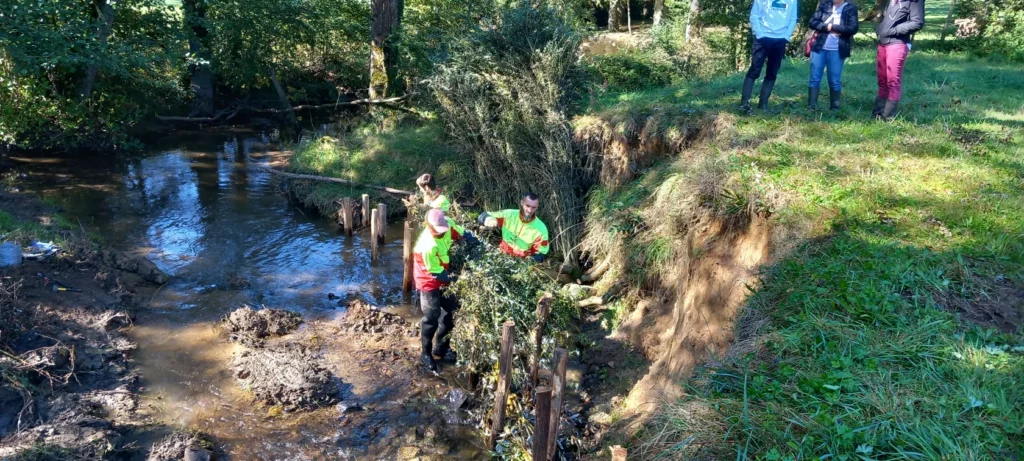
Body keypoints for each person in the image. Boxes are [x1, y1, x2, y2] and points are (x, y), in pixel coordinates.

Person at [414, 208, 476, 371]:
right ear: (429, 226)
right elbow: (437, 274)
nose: (442, 232)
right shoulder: (427, 246)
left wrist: (474, 242)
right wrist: (458, 278)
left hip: (444, 271)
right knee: (432, 315)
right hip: (428, 278)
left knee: (453, 310)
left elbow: (462, 233)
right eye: (438, 230)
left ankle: (441, 347)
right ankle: (425, 353)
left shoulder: (448, 225)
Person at [740, 0, 799, 113]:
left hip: (780, 40)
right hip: (762, 38)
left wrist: (786, 36)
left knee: (772, 72)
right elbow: (754, 15)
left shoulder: (792, 1)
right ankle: (745, 103)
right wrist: (760, 35)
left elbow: (793, 19)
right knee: (754, 70)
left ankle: (763, 104)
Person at [874, 0, 925, 120]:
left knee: (893, 81)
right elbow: (890, 20)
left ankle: (888, 117)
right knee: (882, 81)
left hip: (898, 44)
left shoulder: (914, 1)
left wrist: (893, 30)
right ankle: (877, 114)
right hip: (883, 43)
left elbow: (917, 22)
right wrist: (881, 28)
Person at [807, 0, 859, 110]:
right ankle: (811, 107)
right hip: (819, 47)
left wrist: (834, 27)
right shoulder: (825, 5)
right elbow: (812, 22)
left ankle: (835, 108)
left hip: (837, 50)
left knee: (834, 80)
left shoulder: (850, 8)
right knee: (814, 77)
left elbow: (853, 28)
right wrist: (827, 27)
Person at [477, 192, 549, 263]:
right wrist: (489, 219)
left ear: (537, 207)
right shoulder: (509, 214)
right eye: (527, 206)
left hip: (522, 262)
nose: (530, 210)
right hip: (502, 255)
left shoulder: (541, 229)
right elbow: (483, 215)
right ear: (522, 203)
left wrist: (531, 260)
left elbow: (542, 253)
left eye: (533, 207)